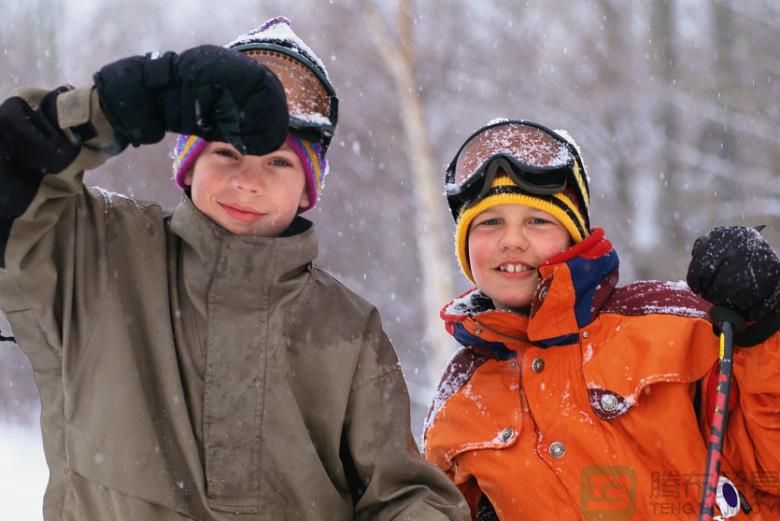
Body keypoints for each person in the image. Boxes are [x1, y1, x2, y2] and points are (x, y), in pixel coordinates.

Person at [0, 16, 468, 521]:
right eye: (227, 152)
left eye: (278, 163)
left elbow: (403, 496)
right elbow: (14, 175)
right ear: (189, 163)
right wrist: (110, 108)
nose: (248, 182)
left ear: (310, 188)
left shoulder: (348, 329)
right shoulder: (94, 251)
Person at [422, 118, 780, 520]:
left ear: (574, 235)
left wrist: (765, 325)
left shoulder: (675, 325)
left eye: (537, 221)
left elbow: (769, 468)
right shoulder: (459, 401)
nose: (512, 240)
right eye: (490, 222)